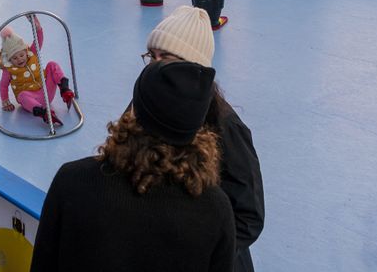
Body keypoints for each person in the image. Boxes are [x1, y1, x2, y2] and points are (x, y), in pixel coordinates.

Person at [30, 60, 235, 272]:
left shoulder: (73, 182)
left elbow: (43, 265)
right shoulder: (215, 209)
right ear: (199, 124)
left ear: (135, 110)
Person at [144, 6, 264, 271]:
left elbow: (249, 216)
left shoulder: (226, 125)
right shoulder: (145, 103)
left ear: (193, 66)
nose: (155, 66)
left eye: (166, 57)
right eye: (151, 56)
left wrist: (199, 252)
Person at [0, 15, 75, 126]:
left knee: (52, 65)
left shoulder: (32, 53)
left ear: (25, 51)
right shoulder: (9, 69)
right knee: (22, 96)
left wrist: (37, 27)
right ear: (9, 60)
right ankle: (44, 114)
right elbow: (3, 85)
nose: (19, 59)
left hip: (46, 91)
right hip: (31, 100)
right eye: (14, 58)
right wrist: (5, 100)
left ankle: (65, 90)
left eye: (21, 55)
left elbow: (38, 39)